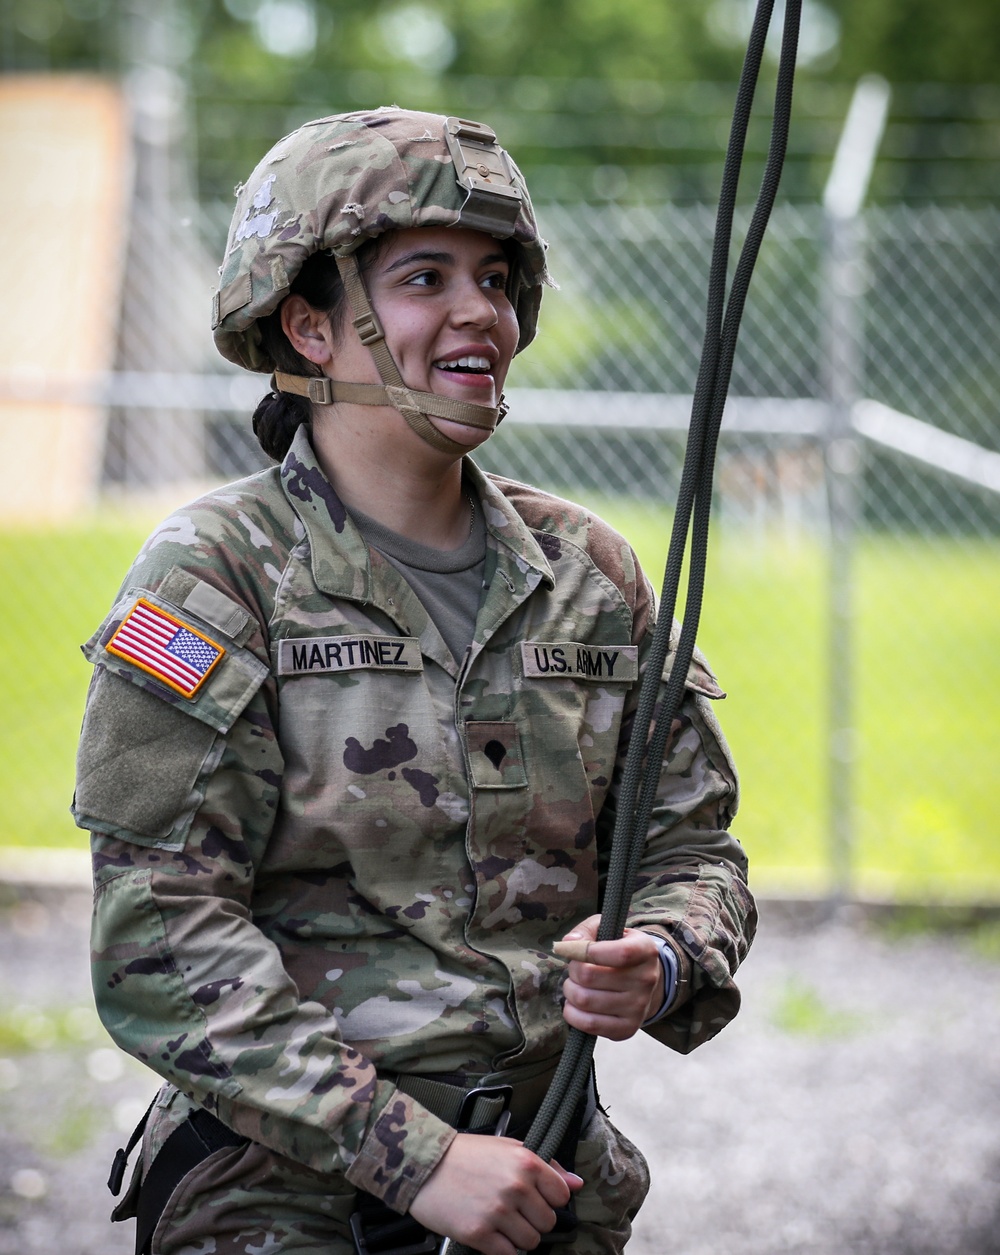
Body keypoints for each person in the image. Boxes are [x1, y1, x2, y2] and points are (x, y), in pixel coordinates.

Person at [73, 107, 754, 1255]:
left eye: (495, 277)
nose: (478, 310)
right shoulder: (218, 576)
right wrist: (417, 1157)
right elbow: (162, 932)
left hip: (547, 1174)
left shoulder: (592, 574)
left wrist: (666, 953)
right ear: (312, 326)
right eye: (423, 277)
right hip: (285, 1193)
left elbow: (693, 851)